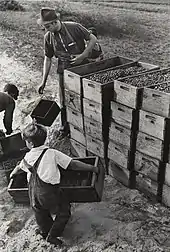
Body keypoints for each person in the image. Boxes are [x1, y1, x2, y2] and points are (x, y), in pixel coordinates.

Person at [10, 121, 98, 247]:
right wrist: (91, 168)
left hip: (33, 193)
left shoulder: (27, 157)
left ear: (30, 143)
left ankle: (44, 231)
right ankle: (53, 235)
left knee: (40, 214)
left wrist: (12, 174)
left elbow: (19, 167)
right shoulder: (52, 153)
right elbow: (72, 164)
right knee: (64, 211)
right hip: (49, 192)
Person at [37, 7, 97, 138]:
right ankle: (65, 128)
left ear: (55, 22)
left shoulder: (74, 27)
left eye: (47, 26)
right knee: (64, 100)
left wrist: (82, 55)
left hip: (83, 67)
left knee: (88, 97)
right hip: (64, 69)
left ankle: (89, 125)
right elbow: (48, 58)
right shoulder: (48, 37)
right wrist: (43, 82)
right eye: (44, 26)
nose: (46, 29)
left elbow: (92, 39)